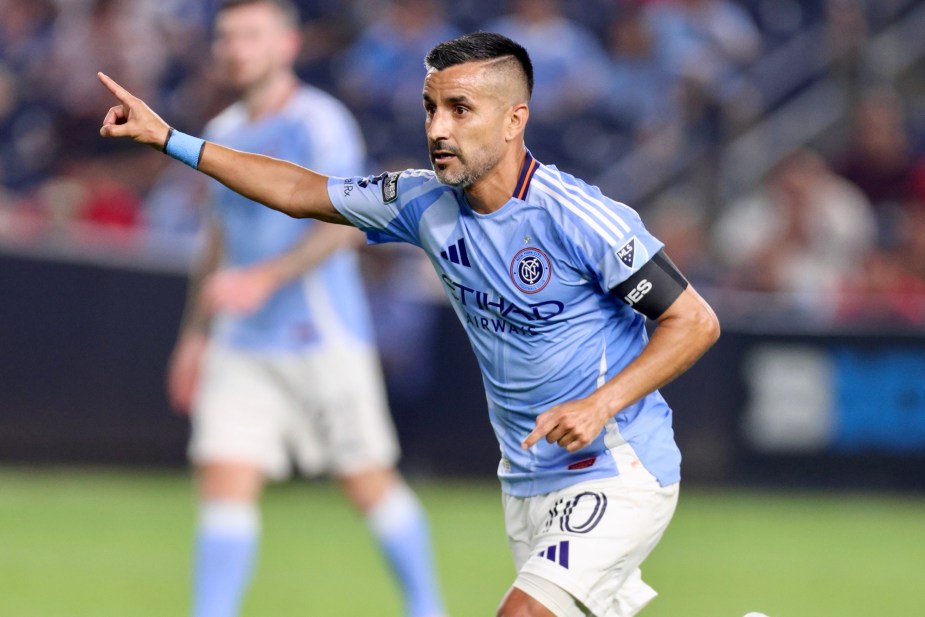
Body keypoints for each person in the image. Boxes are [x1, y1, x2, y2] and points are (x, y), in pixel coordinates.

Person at [99, 31, 724, 617]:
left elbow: (694, 321)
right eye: (430, 108)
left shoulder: (579, 218)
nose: (437, 128)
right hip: (528, 479)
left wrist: (598, 404)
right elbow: (299, 190)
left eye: (460, 109)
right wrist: (168, 138)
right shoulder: (420, 201)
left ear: (514, 119)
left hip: (617, 468)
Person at [158, 2, 447, 617]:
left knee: (367, 482)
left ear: (287, 44)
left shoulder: (321, 122)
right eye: (227, 37)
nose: (237, 48)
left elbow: (345, 224)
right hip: (241, 341)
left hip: (321, 335)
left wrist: (265, 277)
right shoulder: (222, 128)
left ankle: (427, 608)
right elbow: (217, 238)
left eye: (251, 35)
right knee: (223, 480)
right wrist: (194, 336)